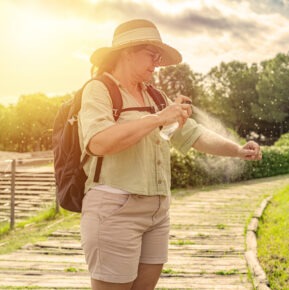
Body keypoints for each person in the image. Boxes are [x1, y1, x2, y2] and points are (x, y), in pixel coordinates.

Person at [78, 19, 262, 290]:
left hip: (157, 212)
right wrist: (157, 118)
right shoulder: (99, 90)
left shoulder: (156, 97)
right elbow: (99, 142)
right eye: (152, 55)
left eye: (159, 57)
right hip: (114, 209)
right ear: (128, 51)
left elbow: (194, 135)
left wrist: (237, 150)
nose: (157, 62)